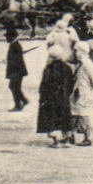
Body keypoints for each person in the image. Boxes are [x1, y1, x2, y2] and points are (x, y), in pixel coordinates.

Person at [37, 12, 78, 146]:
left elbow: (48, 44)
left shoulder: (53, 35)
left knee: (53, 115)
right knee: (65, 113)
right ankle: (68, 136)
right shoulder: (69, 34)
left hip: (52, 96)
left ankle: (56, 138)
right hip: (66, 58)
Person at [4, 25, 31, 111]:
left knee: (14, 87)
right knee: (14, 87)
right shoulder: (14, 45)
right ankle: (24, 100)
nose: (6, 39)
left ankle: (18, 105)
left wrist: (14, 72)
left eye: (7, 37)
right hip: (17, 71)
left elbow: (17, 60)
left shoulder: (15, 46)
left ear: (12, 37)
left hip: (16, 71)